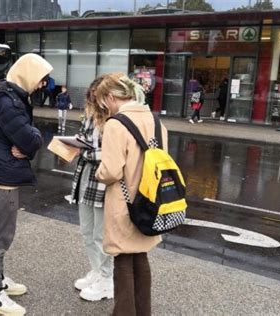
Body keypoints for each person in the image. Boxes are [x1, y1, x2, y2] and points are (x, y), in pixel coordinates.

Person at [0, 53, 52, 316]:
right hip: (2, 177)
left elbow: (26, 139)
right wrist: (34, 140)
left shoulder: (10, 98)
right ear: (28, 75)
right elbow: (30, 141)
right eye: (41, 79)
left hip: (1, 173)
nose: (43, 85)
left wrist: (29, 140)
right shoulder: (10, 104)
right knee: (0, 236)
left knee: (1, 233)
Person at [93, 72, 168, 316]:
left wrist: (98, 173)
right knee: (140, 258)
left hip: (124, 203)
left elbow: (111, 171)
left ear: (112, 97)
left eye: (103, 100)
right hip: (149, 201)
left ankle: (124, 312)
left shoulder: (116, 124)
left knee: (123, 261)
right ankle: (142, 311)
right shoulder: (156, 121)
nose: (104, 106)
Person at [70, 76, 114, 301]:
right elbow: (84, 140)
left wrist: (85, 152)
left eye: (98, 97)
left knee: (101, 234)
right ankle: (97, 271)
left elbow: (113, 152)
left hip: (103, 181)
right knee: (87, 231)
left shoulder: (115, 118)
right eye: (92, 96)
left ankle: (107, 279)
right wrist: (71, 143)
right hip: (85, 176)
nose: (94, 101)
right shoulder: (88, 114)